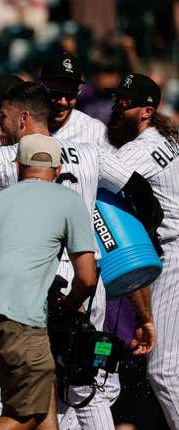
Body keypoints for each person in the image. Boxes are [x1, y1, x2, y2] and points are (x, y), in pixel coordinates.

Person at [0, 82, 160, 429]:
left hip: (33, 284)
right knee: (84, 389)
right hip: (86, 279)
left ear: (24, 118)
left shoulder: (7, 158)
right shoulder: (89, 153)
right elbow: (142, 194)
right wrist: (144, 243)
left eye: (3, 113)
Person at [0, 133, 98, 430]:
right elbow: (86, 278)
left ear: (18, 167)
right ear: (58, 171)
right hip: (16, 314)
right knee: (26, 414)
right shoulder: (68, 199)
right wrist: (70, 306)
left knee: (37, 395)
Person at [107, 73, 179, 429]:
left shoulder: (143, 147)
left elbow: (96, 175)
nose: (118, 106)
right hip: (171, 250)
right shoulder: (164, 137)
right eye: (117, 99)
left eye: (126, 102)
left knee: (164, 371)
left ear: (147, 111)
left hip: (174, 253)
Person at [41, 52, 112, 151]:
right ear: (42, 87)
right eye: (57, 91)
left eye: (70, 92)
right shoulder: (23, 124)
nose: (63, 101)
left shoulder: (96, 131)